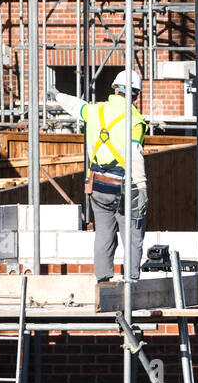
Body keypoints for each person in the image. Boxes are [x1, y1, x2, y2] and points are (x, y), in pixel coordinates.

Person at [50, 69, 148, 283]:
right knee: (132, 233)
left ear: (114, 89)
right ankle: (131, 281)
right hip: (124, 186)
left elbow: (76, 106)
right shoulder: (135, 120)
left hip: (97, 184)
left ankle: (103, 280)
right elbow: (135, 157)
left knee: (104, 233)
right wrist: (141, 189)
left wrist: (56, 95)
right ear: (135, 95)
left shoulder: (96, 111)